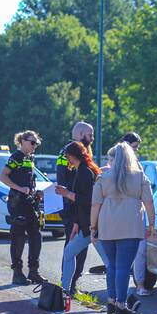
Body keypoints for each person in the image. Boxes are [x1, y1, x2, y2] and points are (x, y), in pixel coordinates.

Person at [91, 142, 155, 314]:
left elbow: (95, 205)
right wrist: (151, 224)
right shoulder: (139, 177)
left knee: (112, 265)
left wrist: (93, 227)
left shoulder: (103, 178)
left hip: (107, 225)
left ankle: (111, 302)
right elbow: (149, 202)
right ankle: (121, 304)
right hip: (131, 225)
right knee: (123, 267)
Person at [55, 141, 103, 295]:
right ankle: (65, 291)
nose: (67, 160)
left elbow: (89, 200)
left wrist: (67, 193)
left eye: (67, 156)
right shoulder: (85, 169)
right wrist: (76, 223)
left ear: (73, 155)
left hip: (92, 226)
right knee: (69, 253)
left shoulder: (84, 172)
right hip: (86, 226)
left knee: (111, 263)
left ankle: (123, 299)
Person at [0, 130, 45, 285]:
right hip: (18, 203)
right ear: (22, 141)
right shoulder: (16, 157)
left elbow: (28, 180)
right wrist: (19, 188)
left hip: (30, 202)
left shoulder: (30, 158)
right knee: (18, 237)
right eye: (32, 142)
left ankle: (34, 272)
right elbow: (2, 176)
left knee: (36, 236)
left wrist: (36, 192)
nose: (34, 146)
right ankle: (17, 273)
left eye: (36, 143)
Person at [56, 121, 94, 290]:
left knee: (82, 248)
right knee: (72, 247)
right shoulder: (66, 153)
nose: (92, 138)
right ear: (80, 134)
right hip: (72, 208)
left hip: (83, 207)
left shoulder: (85, 152)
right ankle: (67, 283)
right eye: (90, 135)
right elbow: (62, 180)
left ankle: (73, 282)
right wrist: (71, 197)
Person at [120, 132, 153, 298]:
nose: (136, 150)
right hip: (121, 215)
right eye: (134, 147)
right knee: (122, 254)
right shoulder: (116, 165)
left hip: (136, 214)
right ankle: (120, 292)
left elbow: (146, 193)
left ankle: (139, 285)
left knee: (140, 251)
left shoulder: (137, 166)